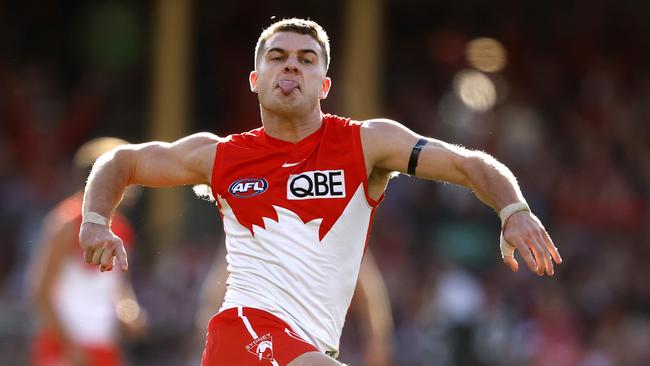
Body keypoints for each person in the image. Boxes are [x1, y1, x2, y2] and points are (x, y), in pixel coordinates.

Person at [78, 18, 561, 366]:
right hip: (247, 333)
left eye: (306, 60)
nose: (291, 68)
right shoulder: (219, 155)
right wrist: (96, 220)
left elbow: (467, 162)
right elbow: (121, 161)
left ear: (324, 84)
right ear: (255, 80)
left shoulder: (367, 143)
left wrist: (513, 209)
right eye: (278, 58)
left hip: (311, 347)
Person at [26, 137, 147, 366]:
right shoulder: (65, 223)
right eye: (128, 177)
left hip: (103, 345)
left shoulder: (122, 227)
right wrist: (69, 346)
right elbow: (40, 291)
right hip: (64, 348)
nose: (134, 187)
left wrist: (128, 312)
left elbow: (117, 285)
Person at [193, 245, 394, 366]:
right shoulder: (256, 223)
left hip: (325, 339)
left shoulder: (334, 228)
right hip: (268, 330)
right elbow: (221, 276)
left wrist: (377, 342)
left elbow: (368, 288)